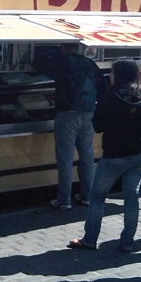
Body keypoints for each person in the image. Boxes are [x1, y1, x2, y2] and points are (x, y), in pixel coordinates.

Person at [67, 58, 141, 252]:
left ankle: (90, 240)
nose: (110, 76)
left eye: (113, 73)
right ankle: (127, 243)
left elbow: (98, 126)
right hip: (137, 155)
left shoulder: (110, 98)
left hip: (114, 156)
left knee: (97, 196)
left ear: (119, 75)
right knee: (131, 198)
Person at [33, 43, 107, 209]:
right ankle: (88, 196)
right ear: (79, 48)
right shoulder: (89, 63)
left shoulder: (62, 61)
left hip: (67, 114)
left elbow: (36, 64)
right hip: (88, 113)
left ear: (63, 48)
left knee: (65, 158)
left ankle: (64, 200)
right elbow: (104, 88)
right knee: (87, 156)